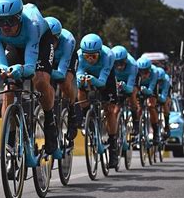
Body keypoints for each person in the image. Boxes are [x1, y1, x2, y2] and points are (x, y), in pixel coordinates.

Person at [0, 0, 58, 158]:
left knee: (40, 80)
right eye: (1, 21)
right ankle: (11, 136)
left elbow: (29, 67)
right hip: (15, 45)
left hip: (39, 41)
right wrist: (3, 69)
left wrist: (21, 69)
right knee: (9, 86)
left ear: (20, 17)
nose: (6, 26)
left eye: (11, 21)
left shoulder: (33, 24)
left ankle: (50, 122)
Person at [76, 34, 119, 168]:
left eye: (93, 56)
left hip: (105, 77)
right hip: (88, 74)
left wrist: (94, 81)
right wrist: (81, 80)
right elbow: (78, 73)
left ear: (99, 53)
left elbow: (102, 82)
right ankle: (85, 116)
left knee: (110, 110)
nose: (89, 59)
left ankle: (113, 146)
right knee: (81, 90)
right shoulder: (78, 56)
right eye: (86, 56)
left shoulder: (108, 56)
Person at [45, 16, 78, 142]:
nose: (50, 44)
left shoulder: (68, 40)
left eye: (53, 40)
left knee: (64, 83)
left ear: (58, 37)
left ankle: (72, 109)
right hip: (50, 61)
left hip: (66, 61)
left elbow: (61, 73)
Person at [111, 45, 140, 135]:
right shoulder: (109, 62)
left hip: (130, 80)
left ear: (126, 60)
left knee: (132, 95)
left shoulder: (133, 65)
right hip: (117, 80)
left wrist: (123, 86)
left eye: (122, 63)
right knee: (115, 110)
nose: (119, 67)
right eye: (117, 64)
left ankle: (135, 121)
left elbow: (130, 88)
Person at [136, 56, 160, 144]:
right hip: (140, 88)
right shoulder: (135, 72)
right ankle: (138, 129)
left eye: (145, 72)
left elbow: (151, 88)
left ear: (149, 70)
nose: (143, 75)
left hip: (151, 88)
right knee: (138, 108)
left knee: (151, 106)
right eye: (141, 72)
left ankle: (156, 132)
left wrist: (147, 91)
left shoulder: (155, 72)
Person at [155, 66, 171, 137]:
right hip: (155, 90)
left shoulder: (166, 80)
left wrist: (162, 98)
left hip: (165, 90)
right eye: (158, 81)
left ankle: (167, 125)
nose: (159, 82)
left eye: (160, 81)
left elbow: (164, 95)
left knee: (165, 103)